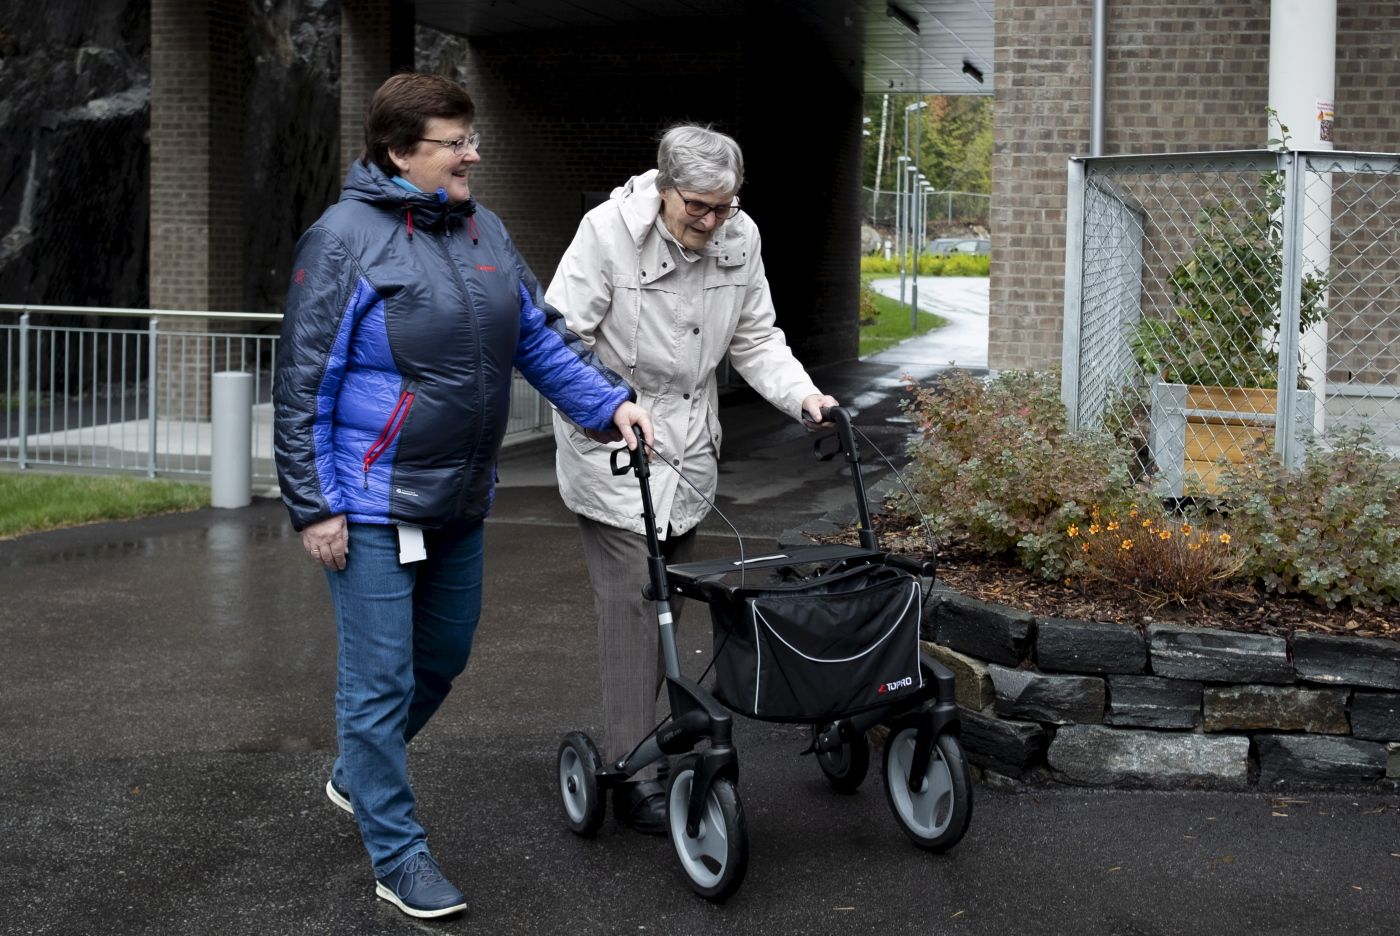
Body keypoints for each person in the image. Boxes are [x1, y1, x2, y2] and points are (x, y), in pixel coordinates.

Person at [273, 72, 651, 920]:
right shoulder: (340, 241)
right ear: (401, 153)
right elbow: (303, 384)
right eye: (455, 142)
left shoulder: (484, 228)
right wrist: (316, 503)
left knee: (442, 661)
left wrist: (608, 403)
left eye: (471, 137)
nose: (472, 153)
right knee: (377, 684)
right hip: (369, 501)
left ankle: (358, 772)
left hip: (457, 497)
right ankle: (397, 855)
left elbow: (540, 340)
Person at [546, 124, 838, 835]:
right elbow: (558, 337)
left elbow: (756, 337)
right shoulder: (607, 232)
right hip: (614, 441)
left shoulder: (742, 237)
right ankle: (631, 767)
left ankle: (676, 747)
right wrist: (606, 406)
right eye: (696, 208)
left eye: (724, 207)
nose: (710, 222)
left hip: (690, 450)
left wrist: (805, 397)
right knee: (635, 610)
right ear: (664, 188)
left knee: (677, 599)